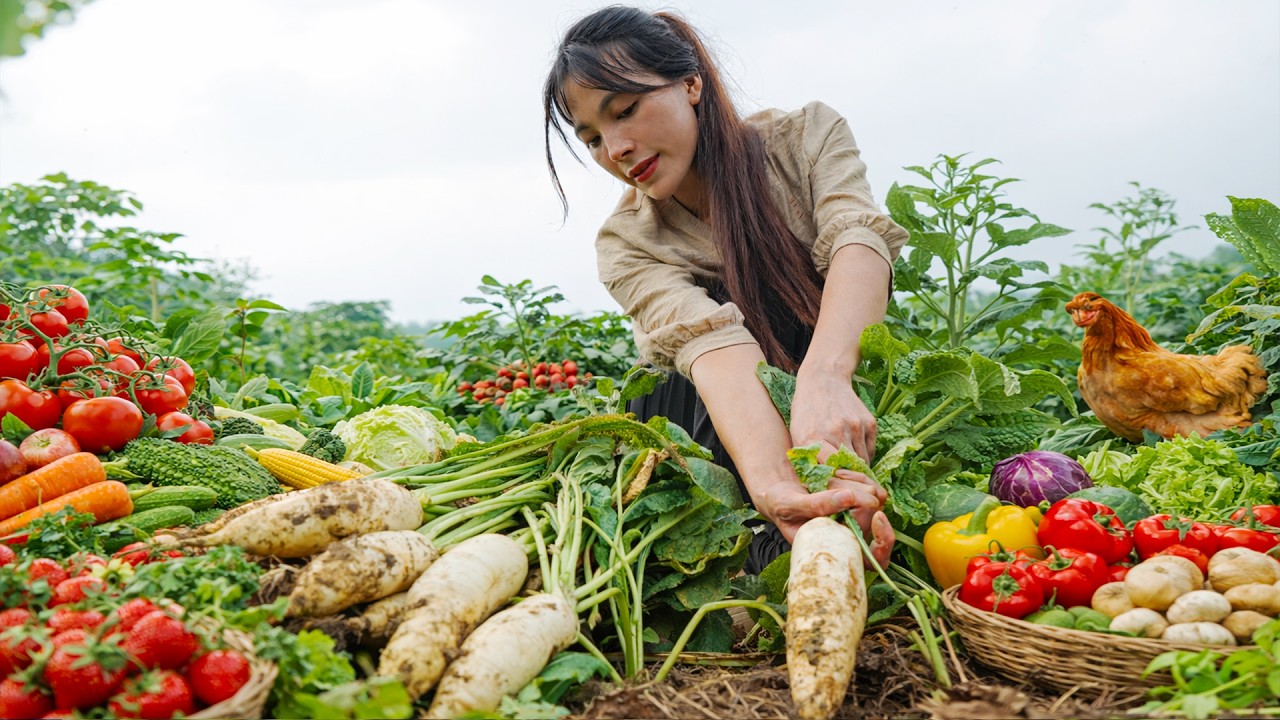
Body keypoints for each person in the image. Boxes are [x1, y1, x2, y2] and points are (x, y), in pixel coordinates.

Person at [542, 5, 907, 573]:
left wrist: (825, 380)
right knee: (753, 529)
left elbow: (858, 242)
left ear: (692, 84)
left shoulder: (804, 137)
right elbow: (718, 354)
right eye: (591, 137)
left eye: (626, 110)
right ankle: (766, 529)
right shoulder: (627, 243)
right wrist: (776, 487)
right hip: (709, 407)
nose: (615, 149)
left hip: (826, 373)